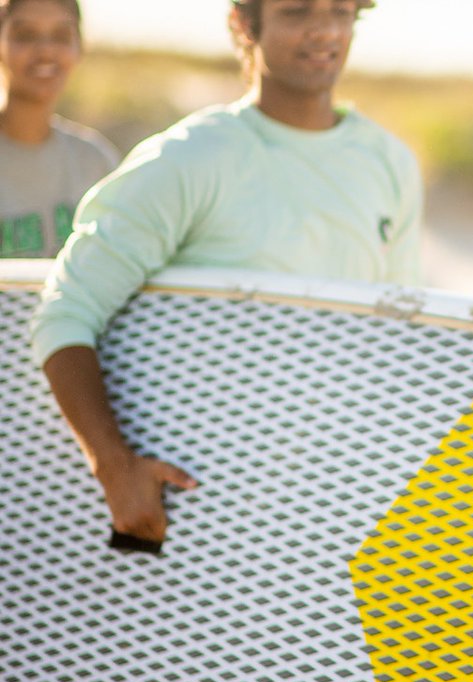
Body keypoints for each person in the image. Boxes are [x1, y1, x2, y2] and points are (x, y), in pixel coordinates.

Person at [30, 0, 423, 545]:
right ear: (243, 23)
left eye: (339, 10)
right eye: (297, 12)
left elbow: (399, 344)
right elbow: (65, 313)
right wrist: (113, 465)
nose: (323, 30)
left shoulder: (390, 164)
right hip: (194, 512)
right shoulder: (189, 159)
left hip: (331, 507)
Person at [0, 0, 117, 258]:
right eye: (25, 35)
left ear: (79, 48)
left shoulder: (95, 162)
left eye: (61, 37)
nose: (45, 51)